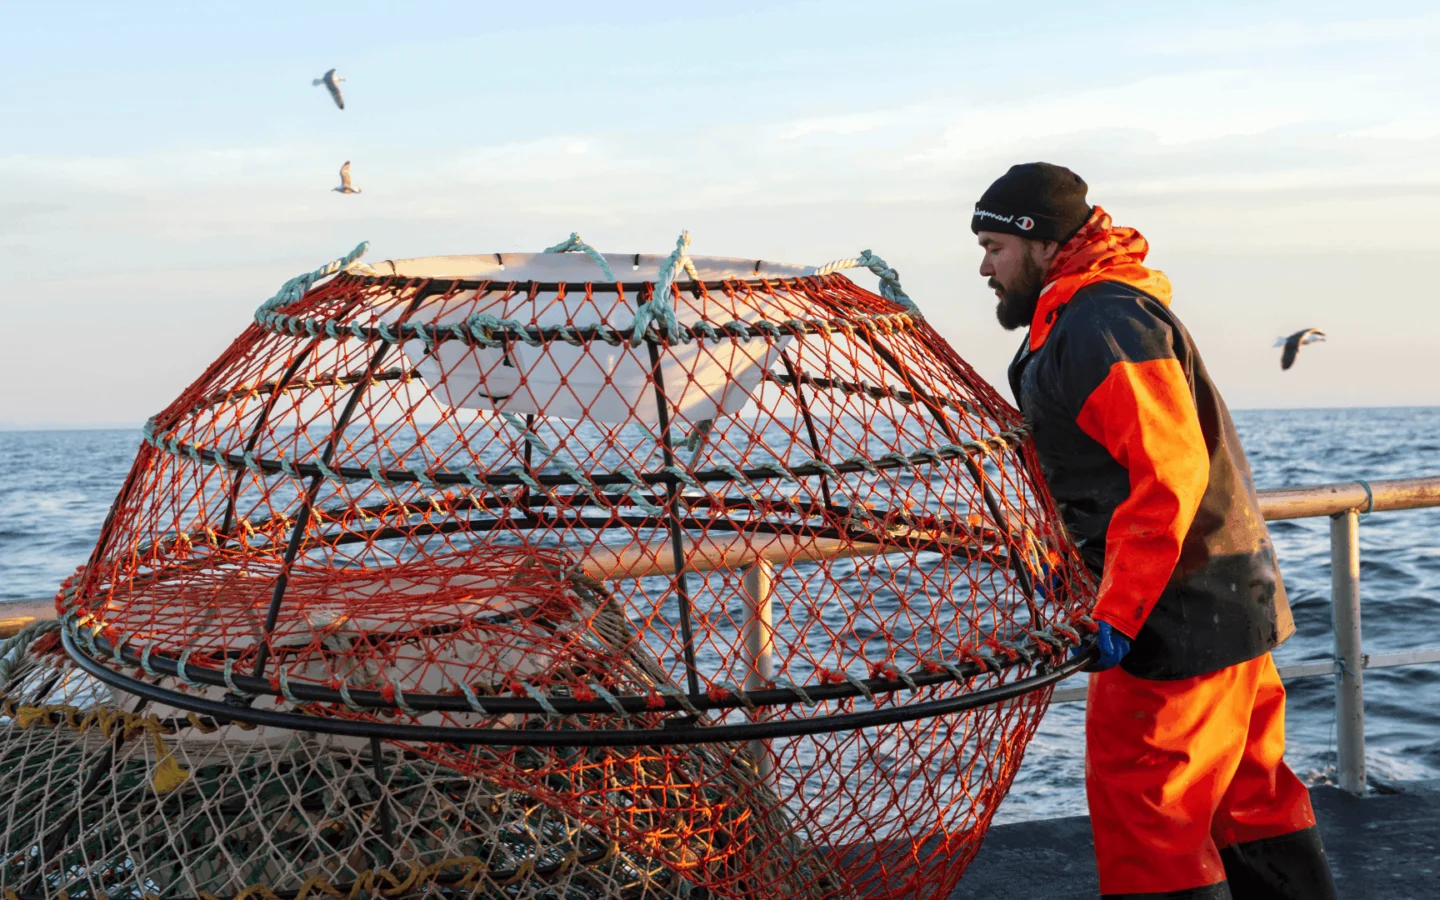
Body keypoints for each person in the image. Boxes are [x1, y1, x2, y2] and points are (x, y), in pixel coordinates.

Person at [972, 162, 1338, 900]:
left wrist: (1115, 611)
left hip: (1168, 623)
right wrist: (1063, 557)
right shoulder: (1091, 313)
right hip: (1229, 603)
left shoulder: (1103, 320)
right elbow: (1103, 464)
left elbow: (1166, 475)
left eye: (993, 247)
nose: (984, 267)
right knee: (1249, 798)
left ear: (1039, 242)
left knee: (1151, 819)